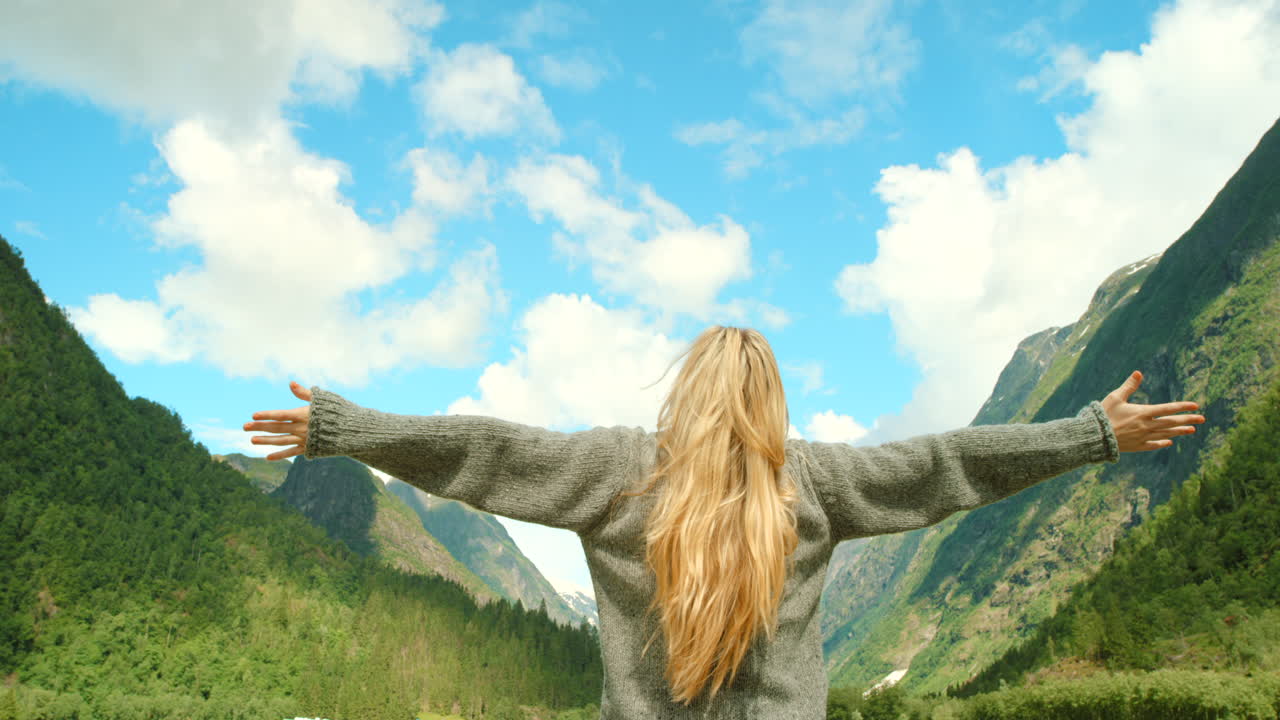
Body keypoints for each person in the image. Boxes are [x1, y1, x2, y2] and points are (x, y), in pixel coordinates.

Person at [243, 325, 1204, 719]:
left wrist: (346, 427)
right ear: (772, 402)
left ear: (685, 392)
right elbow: (951, 466)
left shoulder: (615, 473)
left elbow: (487, 454)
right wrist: (1091, 436)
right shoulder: (817, 483)